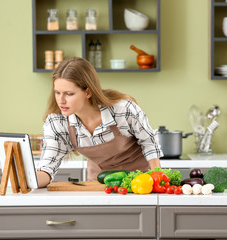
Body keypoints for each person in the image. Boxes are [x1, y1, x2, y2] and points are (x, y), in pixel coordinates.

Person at [36, 57, 163, 188]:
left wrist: (157, 178)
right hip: (98, 184)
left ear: (88, 92)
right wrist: (26, 180)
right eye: (57, 92)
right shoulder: (57, 122)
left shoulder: (122, 110)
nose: (61, 101)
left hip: (141, 183)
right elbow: (47, 167)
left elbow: (149, 143)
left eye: (69, 94)